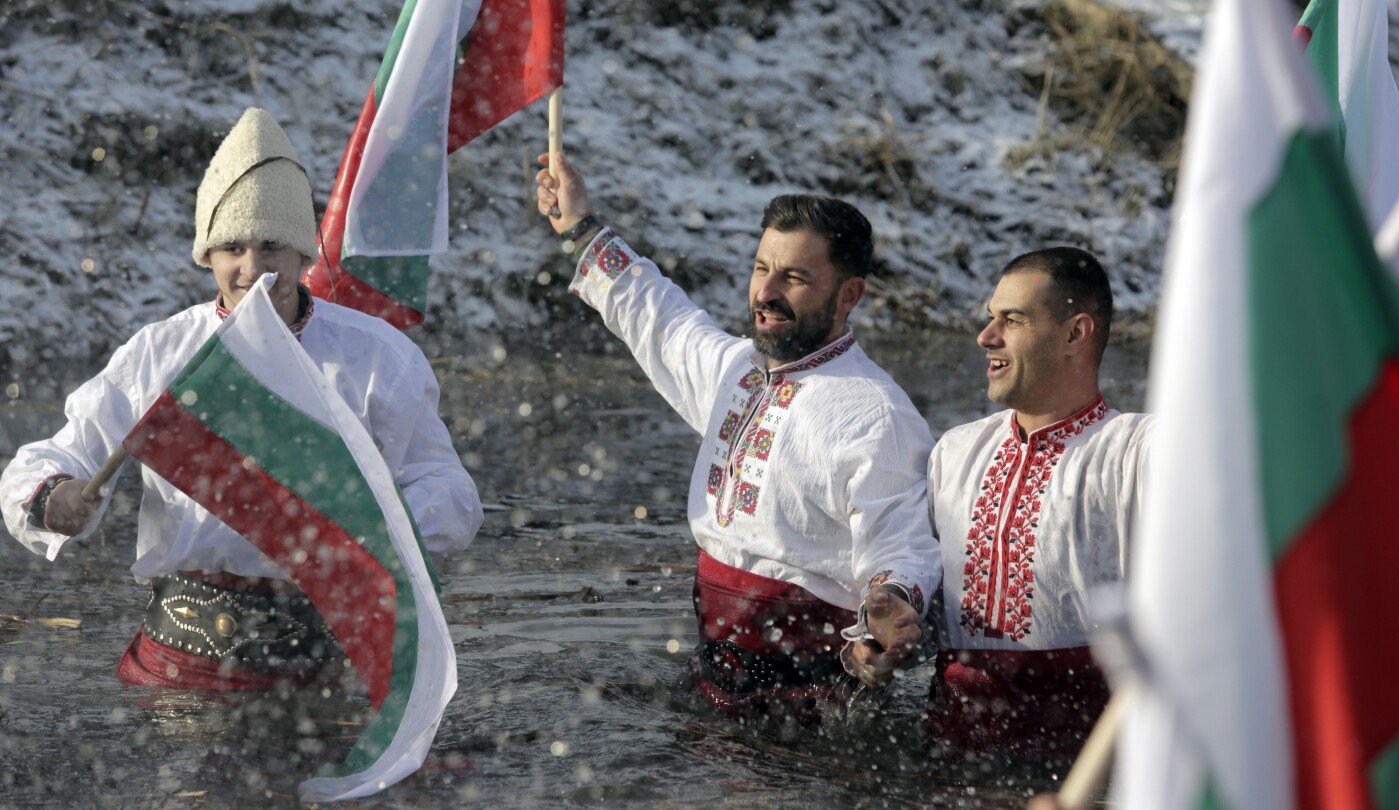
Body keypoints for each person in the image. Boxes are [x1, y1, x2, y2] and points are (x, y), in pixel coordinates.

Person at [0, 108, 483, 691]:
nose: (252, 269)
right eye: (231, 246)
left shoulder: (380, 356)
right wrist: (55, 495)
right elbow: (57, 455)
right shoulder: (161, 353)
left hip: (328, 658)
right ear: (206, 256)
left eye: (272, 246)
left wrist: (377, 531)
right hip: (179, 662)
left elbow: (450, 491)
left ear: (304, 256)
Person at [535, 153, 939, 721]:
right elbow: (655, 313)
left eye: (794, 278)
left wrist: (891, 604)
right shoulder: (737, 371)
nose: (765, 292)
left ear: (849, 296)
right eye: (760, 268)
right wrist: (580, 228)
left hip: (810, 696)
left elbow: (905, 543)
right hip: (716, 669)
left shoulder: (875, 414)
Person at [850, 247, 1150, 758]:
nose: (985, 337)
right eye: (991, 318)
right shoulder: (955, 451)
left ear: (1076, 334)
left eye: (1012, 320)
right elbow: (935, 614)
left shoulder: (1134, 451)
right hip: (948, 757)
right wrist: (888, 639)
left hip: (1079, 770)